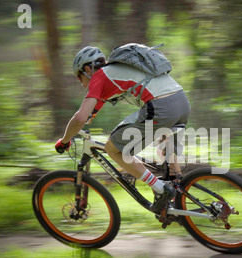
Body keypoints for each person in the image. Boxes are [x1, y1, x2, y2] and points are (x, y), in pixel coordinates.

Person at [54, 46, 191, 214]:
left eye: (79, 77)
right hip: (181, 101)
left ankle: (161, 189)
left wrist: (65, 140)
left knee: (112, 148)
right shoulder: (114, 73)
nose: (81, 83)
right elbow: (89, 115)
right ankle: (178, 205)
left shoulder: (99, 77)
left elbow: (80, 118)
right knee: (166, 151)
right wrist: (77, 126)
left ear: (88, 69)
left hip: (161, 106)